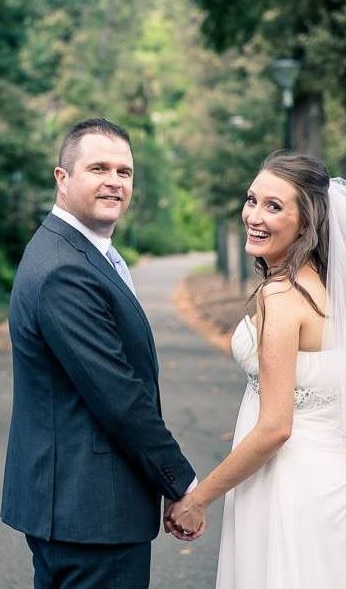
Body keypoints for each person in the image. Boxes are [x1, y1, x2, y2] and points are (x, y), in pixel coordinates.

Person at [166, 152, 346, 588]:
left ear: (306, 221)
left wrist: (198, 499)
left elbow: (275, 427)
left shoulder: (282, 298)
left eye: (274, 207)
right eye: (252, 200)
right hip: (343, 486)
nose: (254, 215)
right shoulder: (339, 293)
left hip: (288, 489)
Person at [1, 118, 204, 588]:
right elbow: (119, 396)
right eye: (99, 168)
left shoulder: (80, 252)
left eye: (124, 171)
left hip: (78, 507)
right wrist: (182, 484)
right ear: (62, 177)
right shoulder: (63, 270)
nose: (115, 181)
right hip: (90, 510)